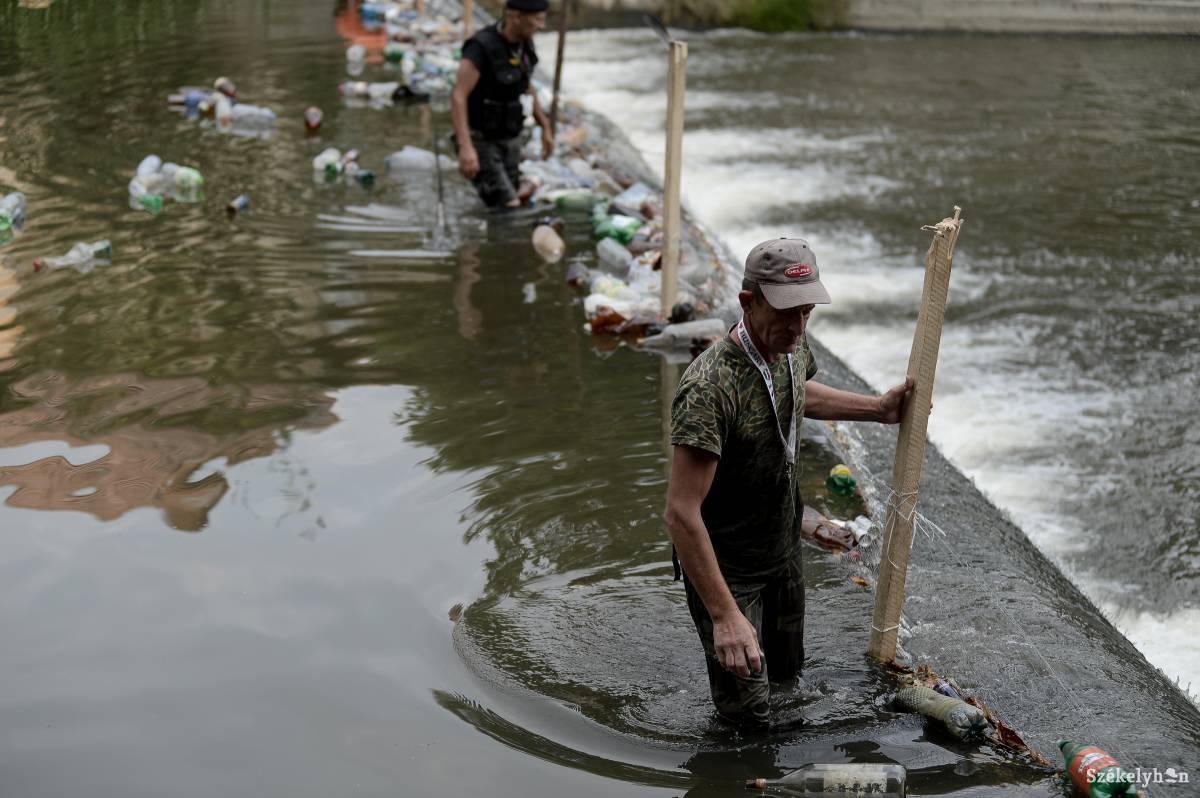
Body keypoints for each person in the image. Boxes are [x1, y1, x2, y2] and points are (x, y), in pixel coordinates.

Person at [663, 238, 915, 727]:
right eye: (785, 312)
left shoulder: (790, 343)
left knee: (788, 681)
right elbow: (679, 513)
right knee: (747, 720)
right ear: (747, 302)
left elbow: (799, 392)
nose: (798, 327)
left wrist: (877, 410)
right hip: (729, 572)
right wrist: (725, 616)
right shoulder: (709, 388)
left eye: (806, 312)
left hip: (781, 558)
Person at [451, 0, 554, 209]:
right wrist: (466, 147)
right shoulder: (480, 47)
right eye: (537, 19)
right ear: (516, 17)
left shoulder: (524, 44)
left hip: (510, 137)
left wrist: (545, 126)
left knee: (510, 197)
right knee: (508, 204)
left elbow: (526, 85)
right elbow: (458, 97)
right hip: (480, 139)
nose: (541, 26)